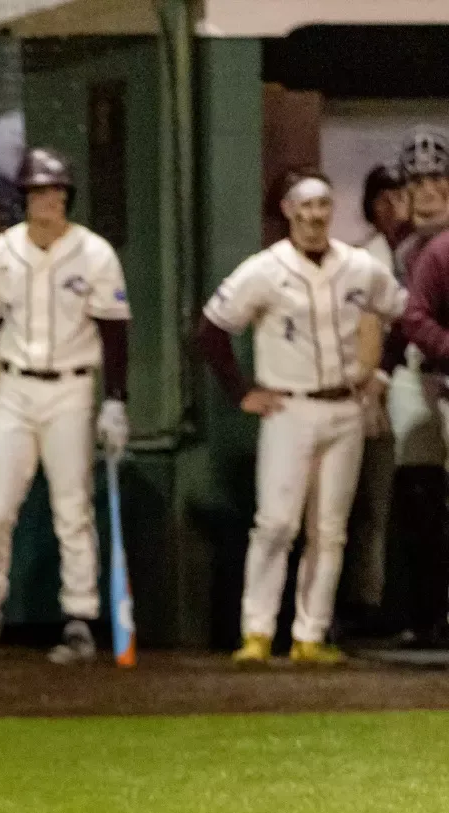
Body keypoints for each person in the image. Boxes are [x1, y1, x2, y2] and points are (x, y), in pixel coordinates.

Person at [195, 170, 405, 665]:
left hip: (345, 405)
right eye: (305, 207)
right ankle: (258, 632)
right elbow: (210, 329)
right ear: (288, 211)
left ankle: (311, 634)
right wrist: (241, 391)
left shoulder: (359, 265)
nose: (315, 216)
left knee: (329, 529)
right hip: (289, 407)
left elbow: (403, 316)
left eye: (323, 206)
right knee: (275, 524)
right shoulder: (265, 269)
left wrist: (383, 375)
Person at [0, 148, 132, 664]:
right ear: (25, 197)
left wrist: (115, 401)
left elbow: (115, 333)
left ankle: (79, 617)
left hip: (72, 389)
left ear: (67, 196)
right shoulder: (0, 253)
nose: (47, 200)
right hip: (14, 389)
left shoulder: (95, 254)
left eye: (55, 191)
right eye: (37, 191)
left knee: (72, 510)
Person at [384, 128, 449, 644]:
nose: (427, 190)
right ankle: (420, 612)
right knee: (417, 492)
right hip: (417, 372)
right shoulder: (395, 247)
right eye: (417, 181)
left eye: (437, 179)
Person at [342, 162, 411, 627]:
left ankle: (396, 600)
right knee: (365, 503)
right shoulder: (362, 258)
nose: (391, 206)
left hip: (414, 383)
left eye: (397, 196)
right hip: (369, 388)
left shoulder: (421, 252)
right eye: (381, 198)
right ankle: (365, 601)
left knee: (403, 501)